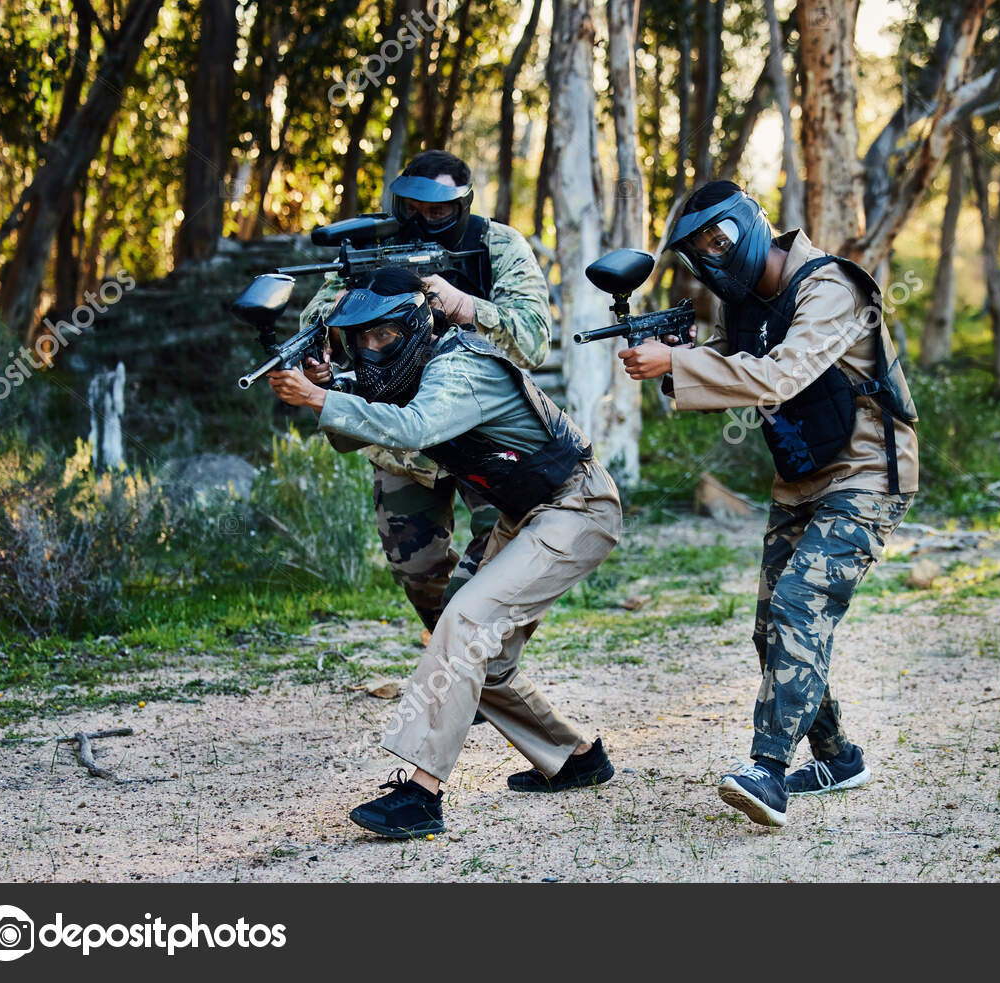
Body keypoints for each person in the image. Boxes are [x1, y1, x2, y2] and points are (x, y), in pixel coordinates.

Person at [268, 266, 621, 837]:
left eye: (382, 335)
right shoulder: (416, 369)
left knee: (465, 620)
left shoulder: (462, 364)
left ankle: (420, 794)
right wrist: (328, 392)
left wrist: (321, 395)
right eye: (360, 339)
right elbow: (350, 436)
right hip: (526, 513)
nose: (371, 348)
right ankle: (576, 758)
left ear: (414, 324)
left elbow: (415, 428)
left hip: (577, 507)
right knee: (493, 663)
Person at [619, 181, 919, 828]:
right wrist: (673, 362)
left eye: (717, 239)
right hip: (802, 473)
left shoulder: (827, 286)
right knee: (770, 626)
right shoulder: (747, 305)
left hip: (867, 470)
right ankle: (837, 756)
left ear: (750, 224)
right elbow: (733, 364)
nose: (711, 256)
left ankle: (769, 770)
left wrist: (681, 360)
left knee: (799, 602)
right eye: (698, 250)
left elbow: (782, 373)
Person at [299, 149, 552, 643]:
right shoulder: (370, 247)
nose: (423, 219)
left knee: (504, 551)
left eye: (437, 210)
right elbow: (315, 318)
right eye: (413, 208)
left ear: (461, 205)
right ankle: (458, 657)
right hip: (401, 430)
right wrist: (331, 330)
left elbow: (534, 339)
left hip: (483, 424)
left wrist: (463, 305)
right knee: (416, 567)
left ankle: (481, 665)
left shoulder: (496, 244)